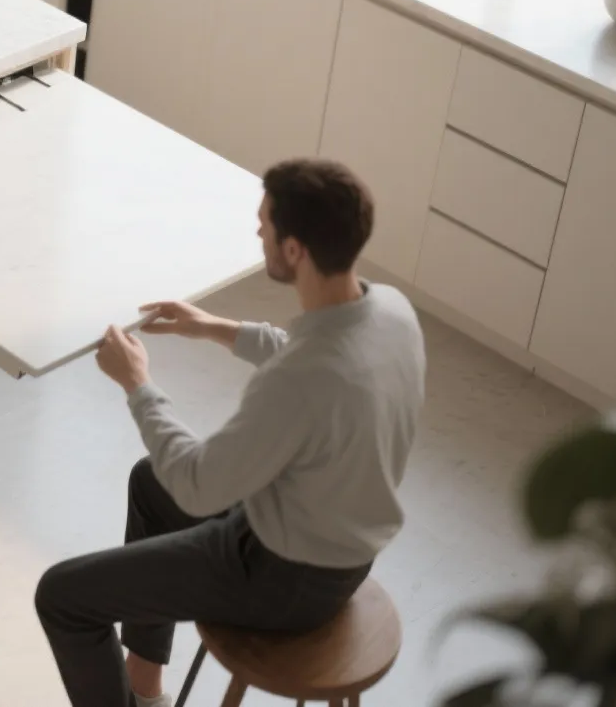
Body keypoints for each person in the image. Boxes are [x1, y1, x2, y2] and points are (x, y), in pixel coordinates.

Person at [35, 158, 425, 707]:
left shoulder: (298, 382)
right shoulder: (392, 311)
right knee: (151, 483)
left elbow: (197, 484)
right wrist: (211, 327)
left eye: (265, 221)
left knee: (63, 596)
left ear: (294, 250)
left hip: (281, 577)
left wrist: (138, 384)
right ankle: (144, 687)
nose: (258, 229)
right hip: (342, 549)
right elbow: (315, 352)